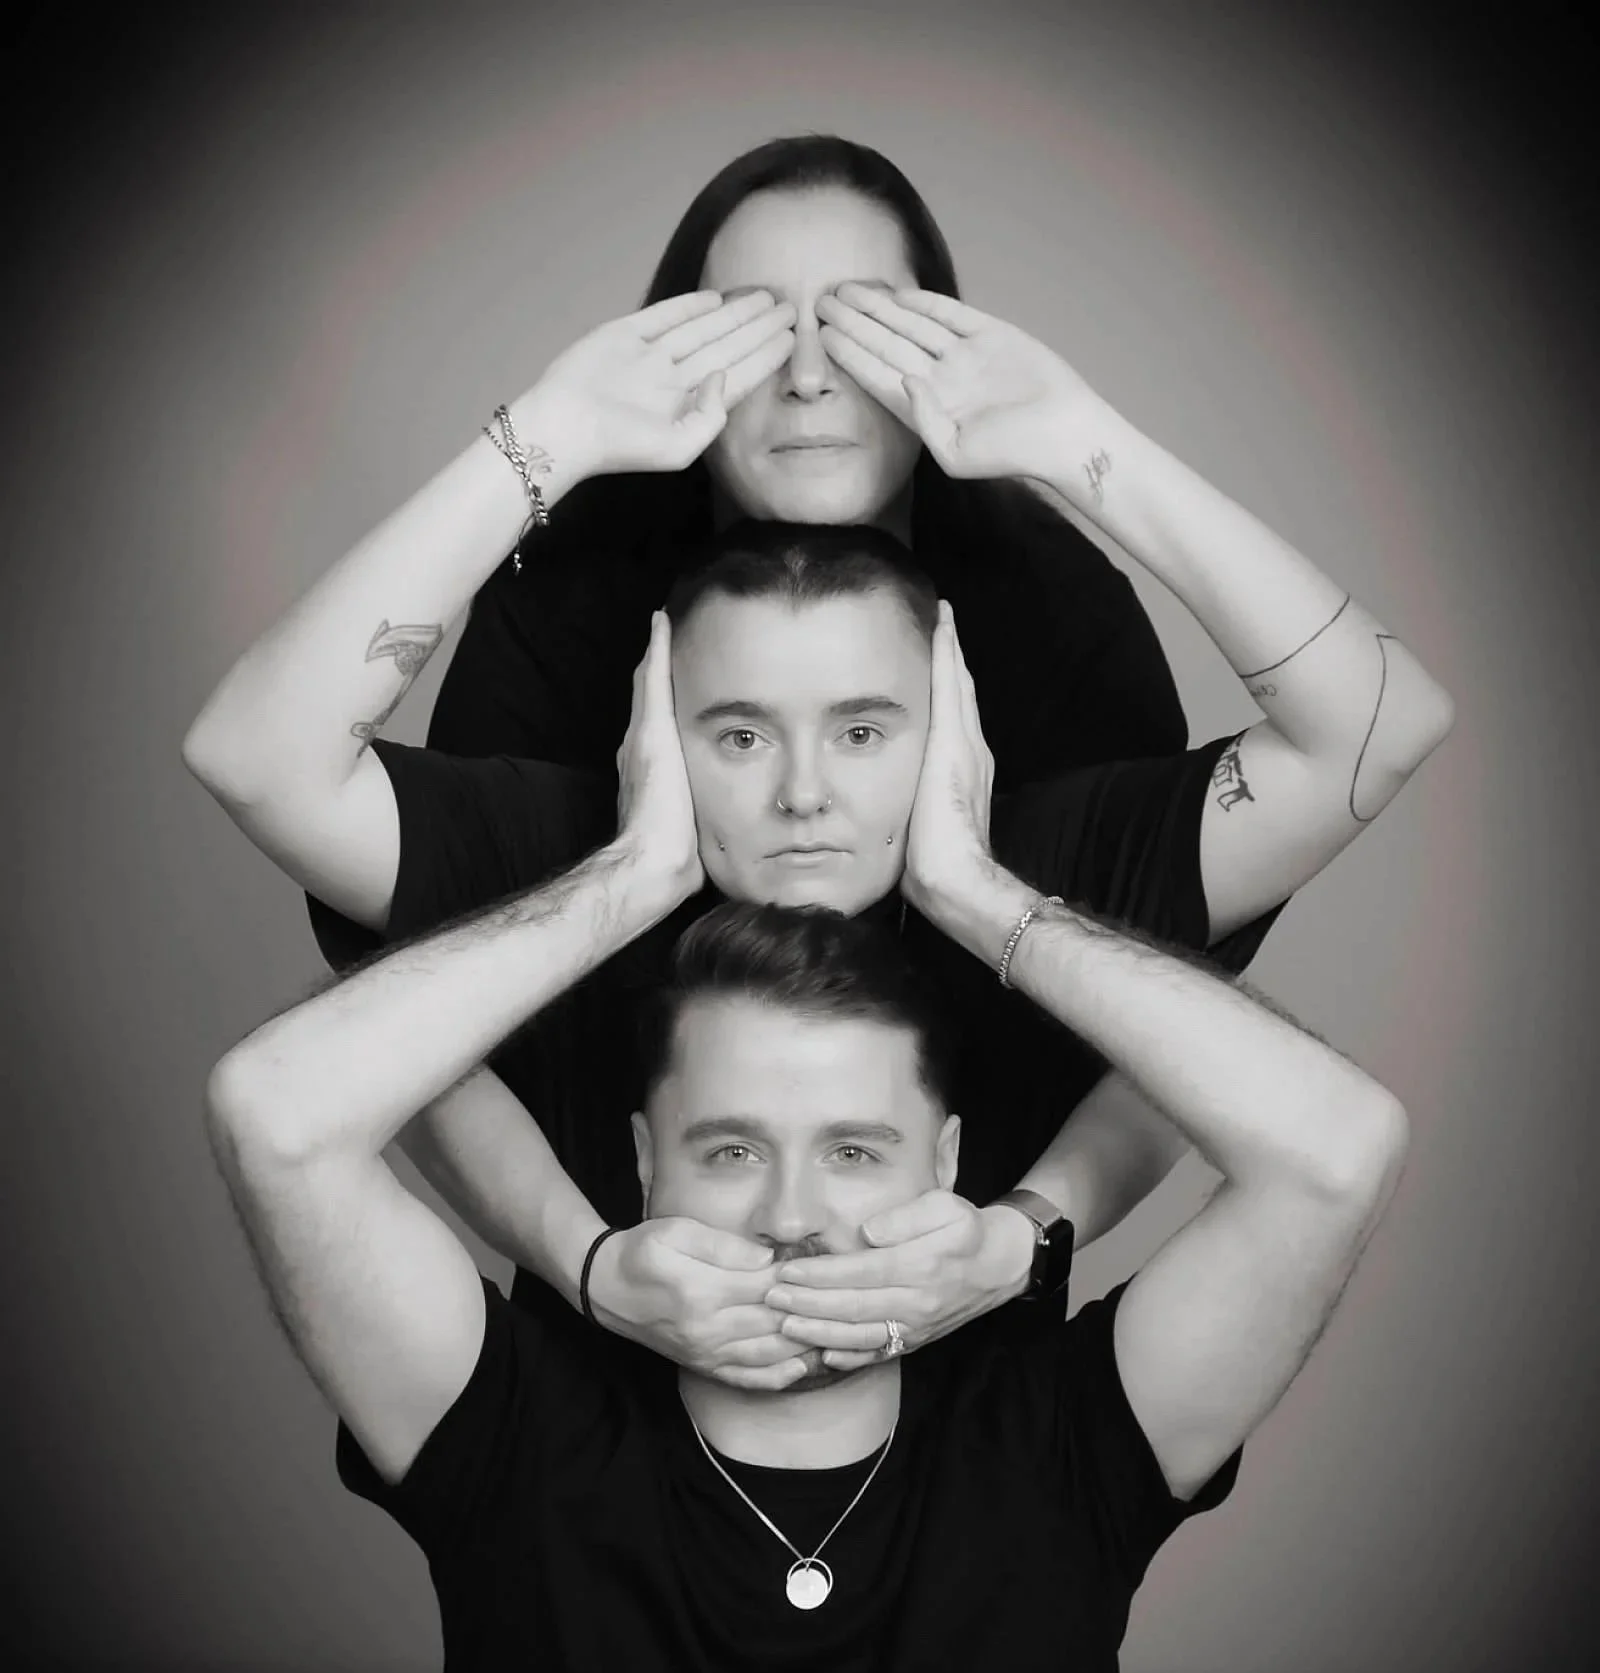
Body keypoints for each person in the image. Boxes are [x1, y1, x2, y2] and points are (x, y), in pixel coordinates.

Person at [183, 135, 1454, 1386]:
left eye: (860, 326)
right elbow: (418, 1010)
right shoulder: (565, 620)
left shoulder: (1050, 629)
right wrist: (547, 437)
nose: (804, 380)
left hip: (958, 1331)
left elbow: (1170, 1011)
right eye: (747, 327)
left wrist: (1019, 1233)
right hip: (624, 1332)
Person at [202, 613, 1411, 1669]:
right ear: (641, 1161)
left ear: (944, 1163)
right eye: (729, 1150)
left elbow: (1338, 1145)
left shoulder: (1059, 1442)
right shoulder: (518, 1431)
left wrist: (976, 894)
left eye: (851, 1150)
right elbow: (277, 1109)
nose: (790, 1213)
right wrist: (629, 878)